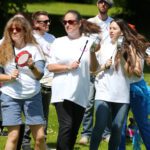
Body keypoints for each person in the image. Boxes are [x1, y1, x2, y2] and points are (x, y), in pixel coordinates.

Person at [89, 18, 148, 150]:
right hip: (103, 91)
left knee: (117, 128)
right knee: (100, 124)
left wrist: (122, 56)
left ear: (122, 32)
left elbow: (135, 72)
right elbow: (93, 70)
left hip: (122, 93)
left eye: (114, 28)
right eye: (110, 28)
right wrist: (92, 52)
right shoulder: (103, 44)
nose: (110, 31)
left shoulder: (130, 47)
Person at [47, 10, 100, 150]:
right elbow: (50, 66)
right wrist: (67, 67)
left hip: (81, 93)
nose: (67, 25)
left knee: (74, 129)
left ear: (80, 23)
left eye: (71, 22)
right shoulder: (58, 42)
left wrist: (93, 53)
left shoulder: (89, 42)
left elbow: (94, 68)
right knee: (67, 126)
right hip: (62, 91)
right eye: (65, 22)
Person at [0, 16, 46, 150]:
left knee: (40, 137)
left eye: (18, 29)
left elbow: (39, 75)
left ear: (25, 30)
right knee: (13, 137)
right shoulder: (3, 48)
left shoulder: (35, 49)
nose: (14, 32)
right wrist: (8, 77)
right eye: (11, 29)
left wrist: (32, 66)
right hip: (10, 96)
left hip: (32, 96)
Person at [79, 0, 113, 145]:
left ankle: (107, 132)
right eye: (101, 1)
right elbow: (83, 43)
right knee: (88, 102)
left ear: (109, 5)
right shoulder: (89, 22)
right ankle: (86, 133)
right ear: (97, 4)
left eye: (106, 2)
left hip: (107, 67)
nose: (103, 4)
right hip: (91, 66)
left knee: (107, 101)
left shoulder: (114, 23)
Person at [21, 11, 55, 150]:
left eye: (48, 21)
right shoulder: (28, 38)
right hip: (32, 79)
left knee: (44, 114)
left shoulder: (52, 38)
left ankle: (42, 143)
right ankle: (25, 141)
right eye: (44, 21)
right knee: (34, 114)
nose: (47, 24)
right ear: (35, 23)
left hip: (48, 80)